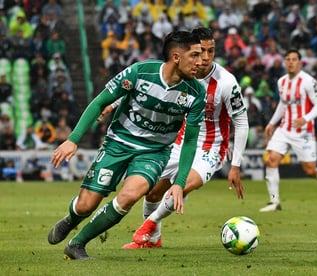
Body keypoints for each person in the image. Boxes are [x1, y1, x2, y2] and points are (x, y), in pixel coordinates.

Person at [47, 31, 206, 260]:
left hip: (154, 152)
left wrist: (179, 183)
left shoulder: (196, 93)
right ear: (176, 57)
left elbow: (190, 140)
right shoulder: (140, 72)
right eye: (194, 55)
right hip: (118, 143)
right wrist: (73, 139)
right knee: (85, 206)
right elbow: (100, 101)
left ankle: (77, 244)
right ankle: (73, 218)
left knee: (130, 196)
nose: (200, 62)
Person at [118, 27, 249, 249]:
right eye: (201, 52)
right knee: (152, 193)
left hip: (211, 148)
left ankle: (148, 225)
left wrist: (235, 165)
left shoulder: (226, 82)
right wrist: (112, 105)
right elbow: (143, 90)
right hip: (179, 143)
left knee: (184, 185)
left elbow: (241, 122)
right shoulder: (180, 74)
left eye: (211, 51)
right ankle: (153, 239)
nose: (206, 57)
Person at [260, 48, 317, 212]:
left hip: (304, 132)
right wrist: (271, 123)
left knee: (310, 170)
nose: (290, 62)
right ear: (285, 62)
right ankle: (274, 202)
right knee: (271, 160)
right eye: (288, 59)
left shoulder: (308, 81)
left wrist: (305, 118)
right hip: (284, 128)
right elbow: (283, 104)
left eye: (294, 59)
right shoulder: (281, 81)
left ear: (300, 62)